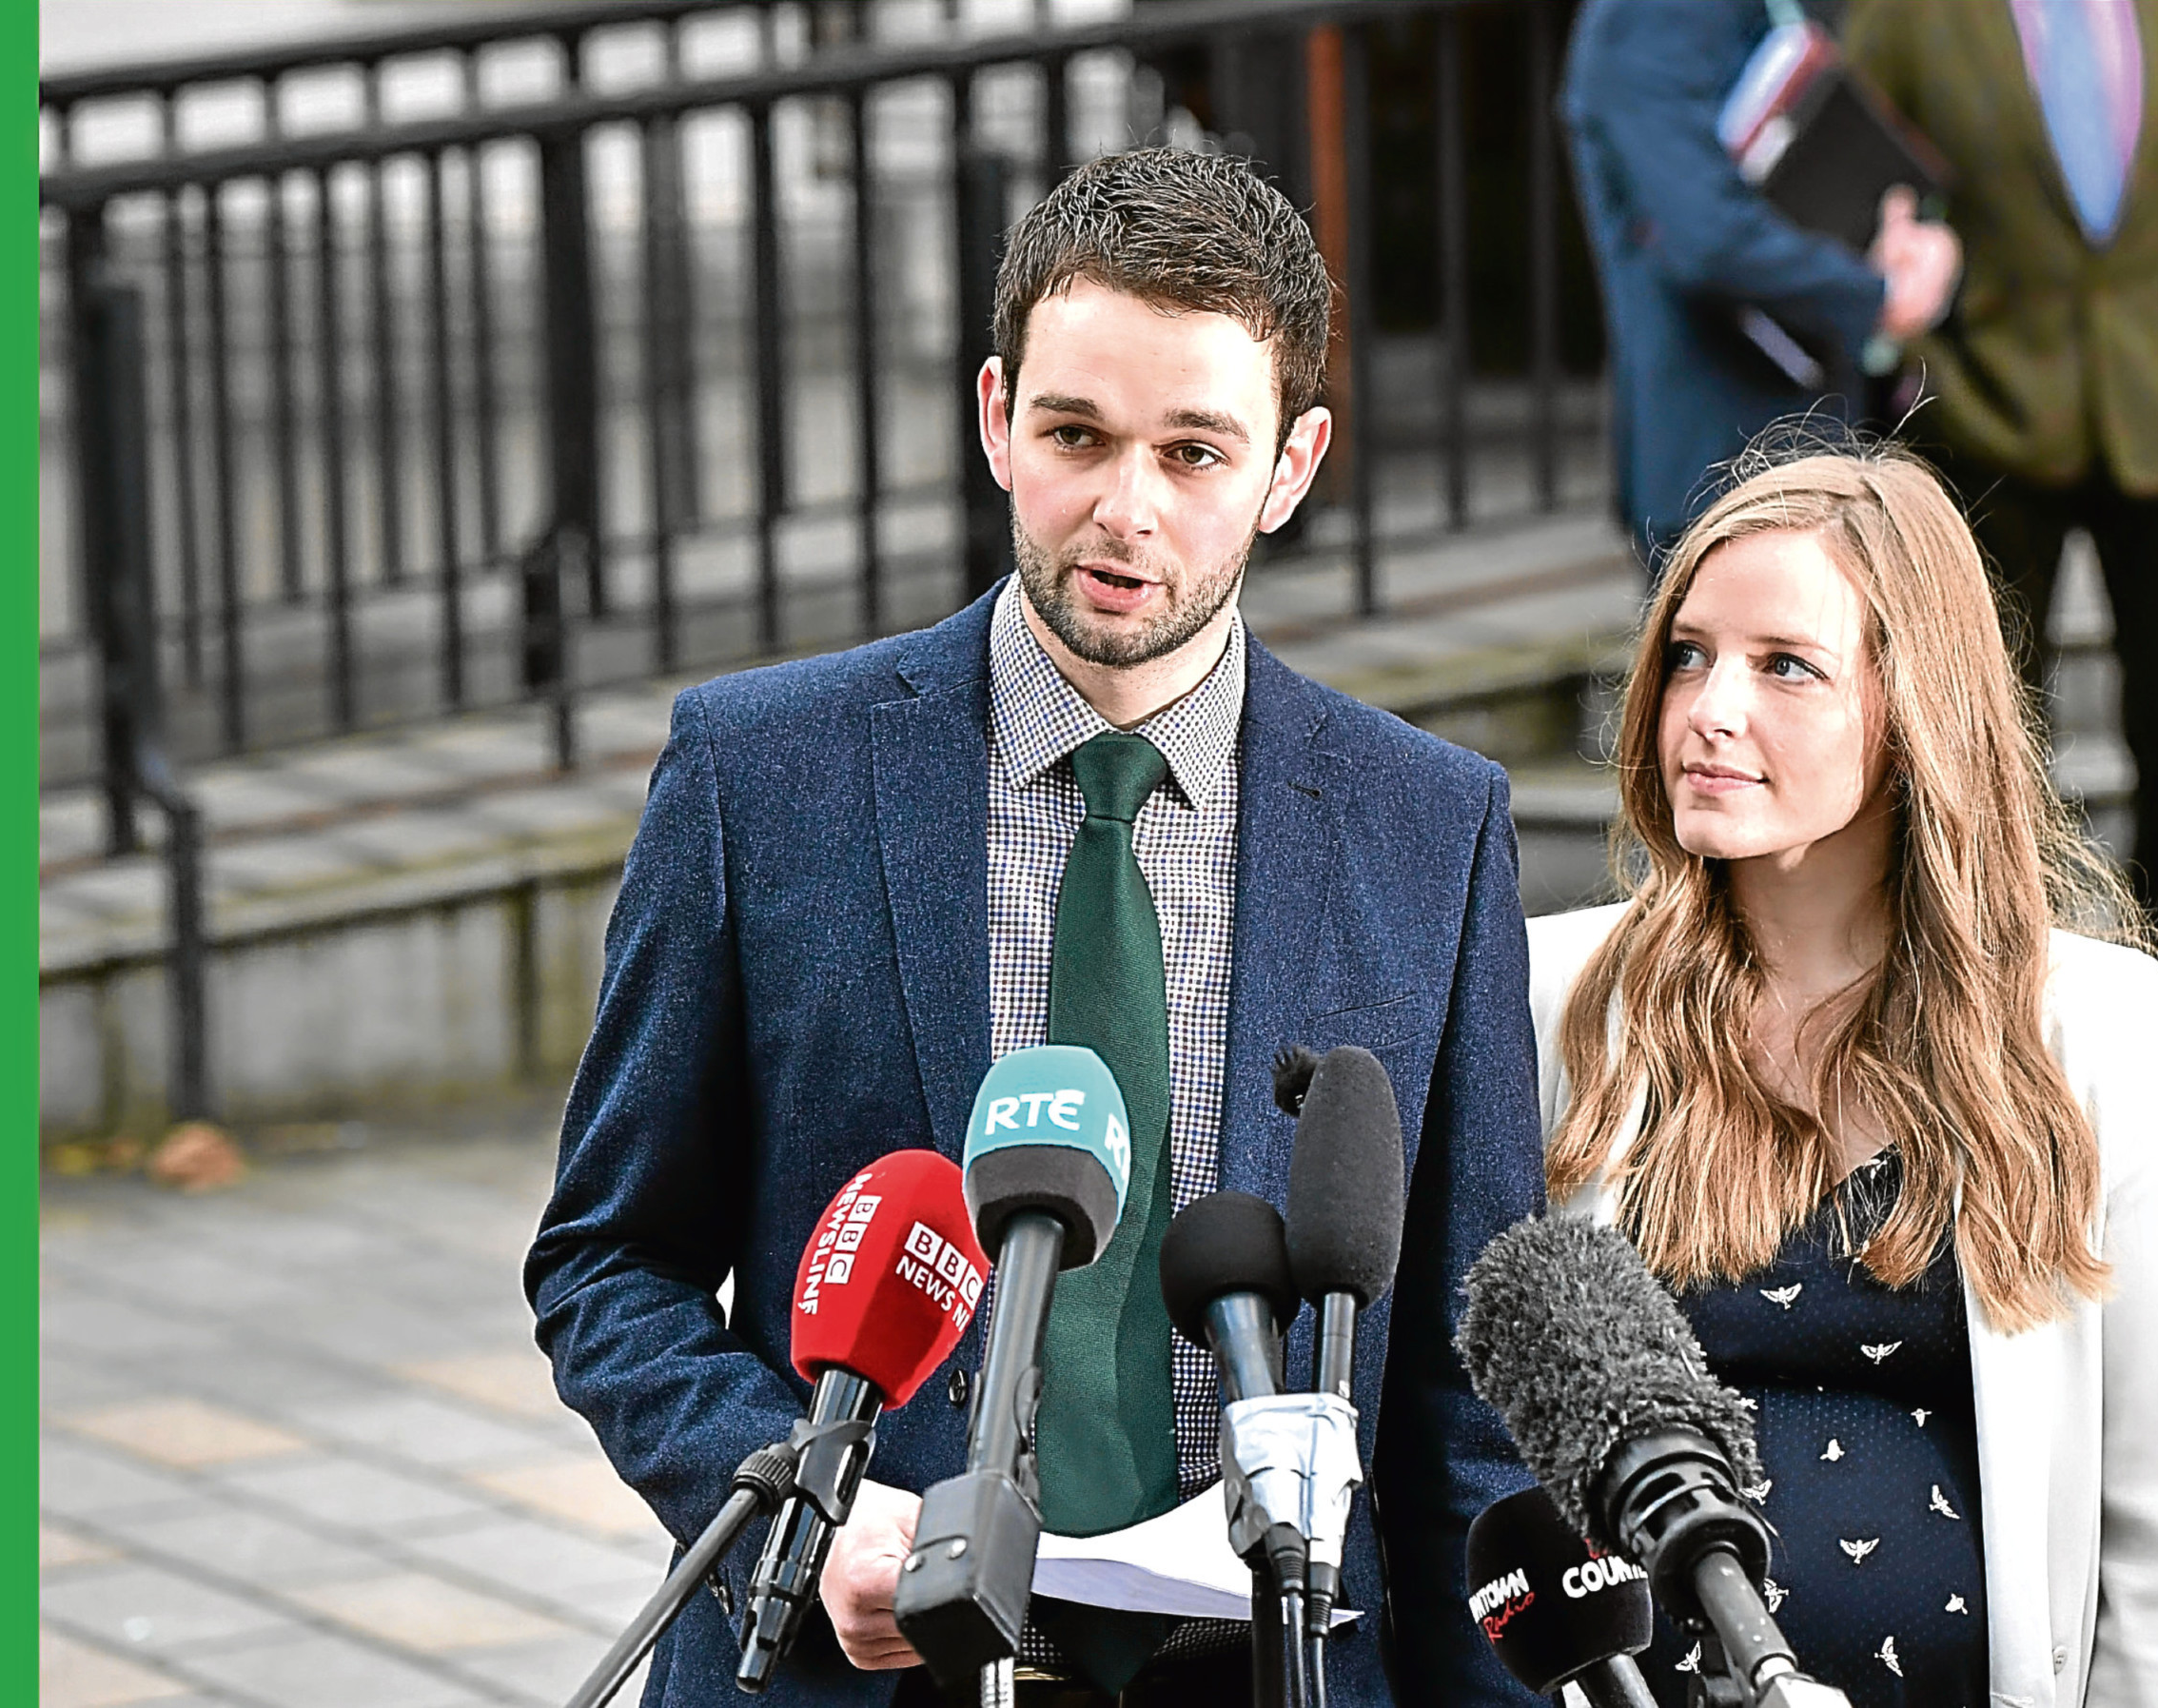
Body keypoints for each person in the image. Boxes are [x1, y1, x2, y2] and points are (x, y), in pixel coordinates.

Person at [524, 148, 1547, 1708]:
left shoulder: (1431, 828)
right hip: (869, 1661)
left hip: (1268, 1665)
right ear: (998, 415)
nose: (1126, 513)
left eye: (1196, 453)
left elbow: (1464, 1405)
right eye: (1078, 436)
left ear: (1292, 463)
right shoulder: (761, 776)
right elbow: (610, 1261)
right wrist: (802, 1515)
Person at [1528, 442, 2158, 1707]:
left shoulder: (2098, 1033)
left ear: (1915, 709)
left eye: (1784, 665)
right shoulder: (1557, 996)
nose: (1709, 706)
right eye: (1689, 651)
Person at [1844, 0, 2158, 1138]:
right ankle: (1996, 1057)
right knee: (1990, 750)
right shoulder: (1914, 15)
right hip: (1983, 416)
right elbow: (1845, 165)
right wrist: (1905, 342)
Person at [1562, 0, 1961, 575]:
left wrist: (1906, 242)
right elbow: (1707, 239)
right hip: (1723, 464)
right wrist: (1878, 295)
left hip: (1829, 443)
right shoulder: (1646, 17)